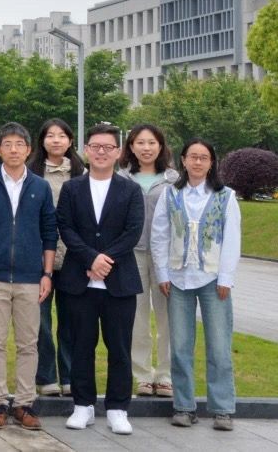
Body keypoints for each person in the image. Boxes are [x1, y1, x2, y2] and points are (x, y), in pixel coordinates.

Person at [0, 122, 57, 431]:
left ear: (29, 150)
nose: (14, 149)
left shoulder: (40, 187)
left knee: (29, 342)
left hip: (31, 277)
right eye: (8, 144)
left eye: (20, 144)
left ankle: (24, 403)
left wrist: (47, 273)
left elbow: (49, 232)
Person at [57, 123, 144, 436]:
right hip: (79, 281)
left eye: (108, 147)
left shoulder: (130, 190)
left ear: (118, 152)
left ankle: (118, 408)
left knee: (119, 348)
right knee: (81, 345)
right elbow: (65, 227)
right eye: (95, 146)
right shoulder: (72, 188)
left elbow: (133, 231)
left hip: (119, 282)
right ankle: (83, 405)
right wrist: (90, 258)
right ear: (86, 150)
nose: (101, 152)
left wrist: (104, 260)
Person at [152, 138, 241, 432]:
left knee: (219, 347)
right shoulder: (171, 194)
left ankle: (223, 409)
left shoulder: (225, 196)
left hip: (213, 280)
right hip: (178, 279)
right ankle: (184, 406)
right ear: (184, 160)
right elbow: (160, 234)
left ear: (211, 162)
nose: (198, 162)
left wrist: (226, 277)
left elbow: (232, 239)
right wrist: (162, 273)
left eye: (204, 157)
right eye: (193, 156)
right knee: (180, 347)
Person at [119, 123, 178, 398]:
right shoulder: (121, 178)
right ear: (131, 146)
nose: (146, 148)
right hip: (132, 254)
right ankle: (142, 375)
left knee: (168, 318)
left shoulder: (174, 180)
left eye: (152, 143)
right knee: (137, 318)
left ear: (161, 146)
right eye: (140, 143)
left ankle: (165, 375)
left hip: (166, 256)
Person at [28, 119, 84, 397]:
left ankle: (70, 376)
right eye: (50, 135)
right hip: (39, 257)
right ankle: (46, 376)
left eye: (62, 135)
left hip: (74, 257)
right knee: (40, 322)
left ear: (70, 141)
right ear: (42, 141)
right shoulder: (30, 173)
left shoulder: (82, 174)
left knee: (71, 321)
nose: (56, 140)